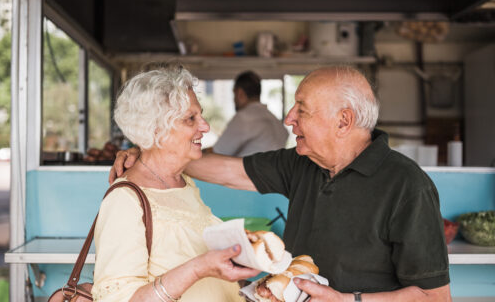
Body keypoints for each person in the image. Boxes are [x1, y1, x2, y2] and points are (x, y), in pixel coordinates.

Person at [110, 66, 451, 301]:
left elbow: (434, 297)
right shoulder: (303, 163)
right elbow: (230, 170)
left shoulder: (407, 185)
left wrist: (347, 300)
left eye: (301, 109)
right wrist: (152, 148)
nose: (289, 119)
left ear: (343, 121)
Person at [93, 65, 259, 302]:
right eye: (191, 118)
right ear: (156, 128)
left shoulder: (184, 183)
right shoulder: (125, 200)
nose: (205, 126)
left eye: (200, 115)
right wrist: (199, 268)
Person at [212, 71, 288, 157]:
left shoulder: (244, 118)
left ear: (240, 93)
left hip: (248, 170)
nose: (234, 100)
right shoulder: (276, 122)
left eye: (234, 94)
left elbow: (217, 152)